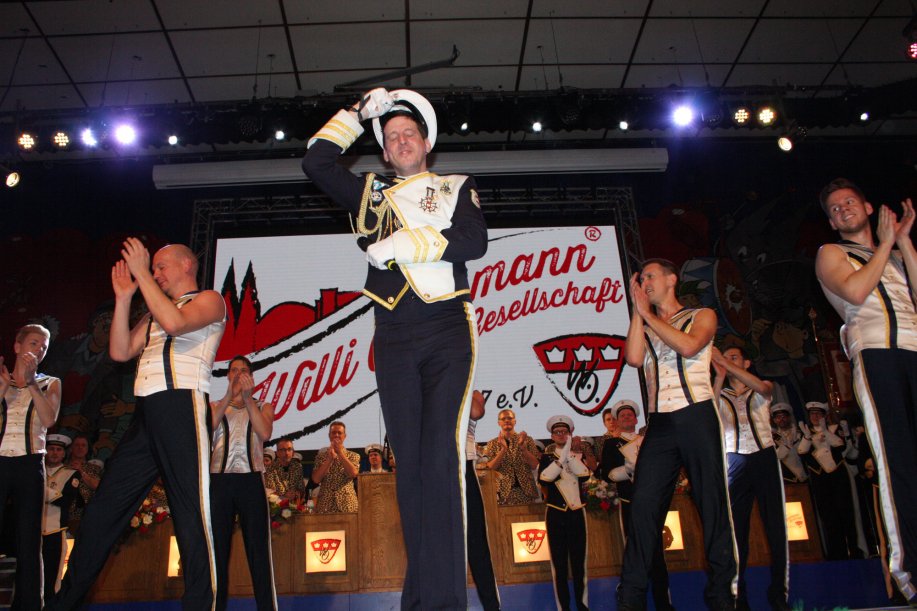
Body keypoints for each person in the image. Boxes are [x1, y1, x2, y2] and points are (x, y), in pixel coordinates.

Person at [303, 87, 487, 610]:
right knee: (410, 466)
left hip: (447, 327)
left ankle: (446, 601)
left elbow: (473, 241)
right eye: (391, 137)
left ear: (426, 143)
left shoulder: (455, 185)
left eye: (410, 133)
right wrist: (358, 113)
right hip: (393, 333)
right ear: (383, 151)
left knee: (441, 461)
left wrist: (405, 244)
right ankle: (420, 598)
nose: (402, 141)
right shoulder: (371, 193)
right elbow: (315, 162)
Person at [49, 240, 226, 611]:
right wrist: (124, 298)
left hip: (182, 406)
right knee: (103, 510)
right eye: (153, 268)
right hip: (146, 414)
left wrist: (142, 274)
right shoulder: (152, 313)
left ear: (186, 265)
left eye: (161, 267)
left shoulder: (209, 299)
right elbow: (119, 351)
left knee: (190, 511)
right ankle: (63, 603)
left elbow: (176, 323)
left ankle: (200, 604)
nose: (156, 274)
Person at [815, 178, 917, 601]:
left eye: (849, 202)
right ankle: (910, 573)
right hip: (877, 356)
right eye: (834, 209)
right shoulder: (831, 253)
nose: (843, 210)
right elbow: (856, 291)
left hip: (914, 348)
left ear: (869, 206)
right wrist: (885, 245)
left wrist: (904, 243)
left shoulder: (896, 254)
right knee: (898, 463)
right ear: (831, 222)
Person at [619, 259, 737, 611]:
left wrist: (648, 315)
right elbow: (633, 358)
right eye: (642, 278)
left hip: (696, 414)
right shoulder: (646, 322)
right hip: (660, 424)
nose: (646, 282)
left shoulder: (702, 315)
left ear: (672, 279)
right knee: (643, 505)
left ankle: (722, 594)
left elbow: (689, 347)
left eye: (651, 276)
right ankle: (631, 597)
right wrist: (638, 312)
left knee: (711, 501)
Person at [712, 346, 789, 611]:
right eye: (725, 356)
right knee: (736, 534)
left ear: (746, 362)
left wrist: (725, 363)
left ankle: (779, 594)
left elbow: (764, 388)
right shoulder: (720, 392)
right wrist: (719, 375)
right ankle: (738, 596)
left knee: (776, 528)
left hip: (764, 457)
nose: (727, 360)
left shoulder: (761, 386)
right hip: (734, 460)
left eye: (734, 357)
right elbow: (710, 412)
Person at [0, 323, 61, 610]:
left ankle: (29, 605)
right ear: (17, 346)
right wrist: (3, 389)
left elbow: (49, 420)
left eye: (44, 347)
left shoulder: (51, 383)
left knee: (29, 537)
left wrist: (32, 384)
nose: (38, 350)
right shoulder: (1, 379)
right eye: (34, 343)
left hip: (30, 462)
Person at [209, 355, 277, 611]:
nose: (238, 374)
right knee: (217, 552)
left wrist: (248, 400)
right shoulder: (214, 405)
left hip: (251, 480)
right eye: (234, 370)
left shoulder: (263, 406)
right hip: (219, 481)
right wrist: (229, 395)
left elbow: (265, 433)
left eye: (243, 370)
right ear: (227, 375)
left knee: (258, 551)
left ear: (251, 376)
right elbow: (208, 427)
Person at [599, 399, 673, 611]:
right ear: (617, 420)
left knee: (657, 555)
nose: (626, 417)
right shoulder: (612, 444)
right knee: (635, 553)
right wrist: (629, 470)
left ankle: (664, 604)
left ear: (636, 418)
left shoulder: (648, 440)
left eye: (629, 415)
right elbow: (608, 474)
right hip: (629, 502)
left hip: (652, 502)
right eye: (622, 416)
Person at [539, 415, 592, 611]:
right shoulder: (546, 457)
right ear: (552, 436)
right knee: (559, 566)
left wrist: (569, 455)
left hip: (576, 513)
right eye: (557, 432)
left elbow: (584, 474)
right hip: (556, 514)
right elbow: (545, 479)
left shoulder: (577, 456)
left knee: (580, 565)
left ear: (570, 434)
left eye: (565, 432)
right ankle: (563, 608)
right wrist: (560, 460)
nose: (561, 435)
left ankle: (582, 606)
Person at [797, 401, 859, 560]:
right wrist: (807, 437)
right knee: (828, 516)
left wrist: (825, 431)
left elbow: (840, 445)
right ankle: (837, 552)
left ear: (824, 416)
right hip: (819, 478)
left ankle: (854, 549)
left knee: (846, 512)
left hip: (838, 476)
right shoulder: (806, 432)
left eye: (818, 414)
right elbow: (802, 452)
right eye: (812, 414)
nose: (815, 417)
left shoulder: (834, 429)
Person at [466, 391, 501, 611]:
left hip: (464, 467)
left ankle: (492, 606)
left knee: (476, 543)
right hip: (436, 467)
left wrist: (456, 379)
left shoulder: (469, 389)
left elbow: (477, 411)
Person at [42, 434, 82, 602]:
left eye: (59, 450)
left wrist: (41, 491)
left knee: (52, 574)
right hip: (32, 529)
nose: (54, 453)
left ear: (64, 453)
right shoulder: (36, 471)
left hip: (55, 529)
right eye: (51, 449)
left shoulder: (70, 473)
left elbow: (66, 501)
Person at [484, 409, 541, 505]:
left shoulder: (527, 440)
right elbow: (490, 468)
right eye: (503, 419)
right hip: (503, 493)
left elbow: (535, 465)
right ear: (499, 423)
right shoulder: (492, 443)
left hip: (526, 492)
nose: (507, 420)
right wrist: (503, 450)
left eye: (510, 418)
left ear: (515, 421)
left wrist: (524, 450)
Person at [311, 421, 360, 514]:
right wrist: (329, 459)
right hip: (325, 505)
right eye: (333, 433)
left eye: (339, 433)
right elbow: (316, 479)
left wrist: (340, 453)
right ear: (329, 435)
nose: (336, 435)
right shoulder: (320, 457)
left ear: (344, 436)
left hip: (347, 504)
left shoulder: (353, 456)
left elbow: (353, 474)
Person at [770, 403, 808, 484]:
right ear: (774, 420)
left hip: (805, 474)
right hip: (787, 478)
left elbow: (805, 453)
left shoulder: (800, 433)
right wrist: (786, 446)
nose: (781, 419)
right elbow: (776, 457)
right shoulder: (772, 438)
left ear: (789, 417)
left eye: (784, 416)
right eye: (778, 417)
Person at [264, 439, 305, 503]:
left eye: (289, 449)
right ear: (277, 453)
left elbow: (301, 488)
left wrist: (296, 493)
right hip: (277, 505)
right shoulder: (270, 468)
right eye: (282, 450)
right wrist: (284, 495)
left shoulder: (297, 466)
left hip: (294, 504)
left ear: (293, 452)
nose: (286, 453)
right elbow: (269, 492)